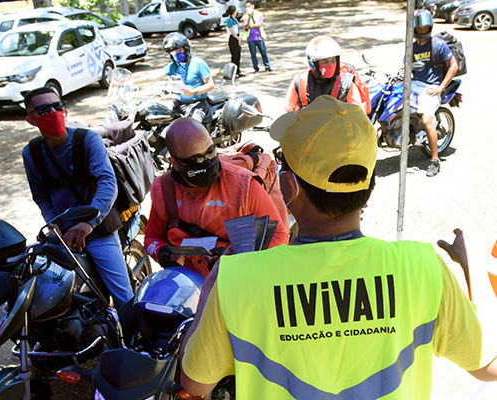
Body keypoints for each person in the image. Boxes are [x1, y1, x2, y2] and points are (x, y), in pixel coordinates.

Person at [179, 95, 497, 398]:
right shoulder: (423, 266)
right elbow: (489, 366)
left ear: (290, 187)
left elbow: (195, 384)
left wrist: (212, 285)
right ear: (369, 183)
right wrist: (473, 262)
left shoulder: (238, 279)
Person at [22, 87, 134, 309]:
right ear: (31, 120)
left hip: (98, 230)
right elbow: (41, 197)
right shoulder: (32, 153)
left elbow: (107, 182)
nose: (54, 112)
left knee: (124, 298)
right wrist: (54, 225)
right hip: (64, 235)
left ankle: (136, 341)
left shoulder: (86, 140)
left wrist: (88, 223)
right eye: (44, 109)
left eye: (58, 106)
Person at [144, 117, 289, 278]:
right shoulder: (164, 190)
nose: (206, 163)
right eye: (197, 160)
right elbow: (152, 238)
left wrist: (233, 260)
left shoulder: (244, 187)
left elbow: (279, 237)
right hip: (188, 287)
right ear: (175, 163)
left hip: (236, 281)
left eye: (211, 152)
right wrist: (162, 252)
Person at [410, 9, 458, 177]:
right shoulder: (412, 46)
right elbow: (405, 66)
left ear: (430, 27)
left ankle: (434, 160)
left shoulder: (438, 45)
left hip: (431, 87)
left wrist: (441, 87)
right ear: (414, 29)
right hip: (413, 84)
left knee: (427, 119)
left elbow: (454, 66)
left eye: (425, 28)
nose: (422, 31)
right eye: (419, 29)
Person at [134, 32, 214, 123]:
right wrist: (131, 81)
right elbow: (153, 76)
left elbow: (210, 85)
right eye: (172, 53)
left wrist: (193, 92)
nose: (176, 55)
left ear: (186, 49)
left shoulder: (198, 63)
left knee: (191, 130)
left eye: (178, 51)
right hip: (179, 104)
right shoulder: (174, 66)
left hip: (197, 104)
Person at [285, 35, 370, 114]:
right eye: (325, 62)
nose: (329, 64)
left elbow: (357, 112)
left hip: (338, 128)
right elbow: (288, 111)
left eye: (333, 61)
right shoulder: (299, 82)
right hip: (309, 127)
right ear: (313, 63)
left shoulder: (346, 82)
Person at [242, 1, 271, 73]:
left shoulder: (259, 14)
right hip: (250, 38)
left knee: (263, 52)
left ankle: (267, 66)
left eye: (249, 6)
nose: (248, 8)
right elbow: (246, 26)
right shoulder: (245, 16)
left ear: (253, 6)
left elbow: (259, 24)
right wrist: (249, 17)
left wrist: (251, 26)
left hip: (259, 36)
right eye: (246, 7)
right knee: (253, 54)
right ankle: (256, 68)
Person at [224, 5, 244, 78]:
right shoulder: (230, 20)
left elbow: (238, 30)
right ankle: (234, 72)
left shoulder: (235, 19)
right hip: (233, 38)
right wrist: (238, 38)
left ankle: (238, 70)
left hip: (237, 37)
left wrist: (239, 37)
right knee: (234, 56)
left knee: (238, 55)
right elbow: (232, 32)